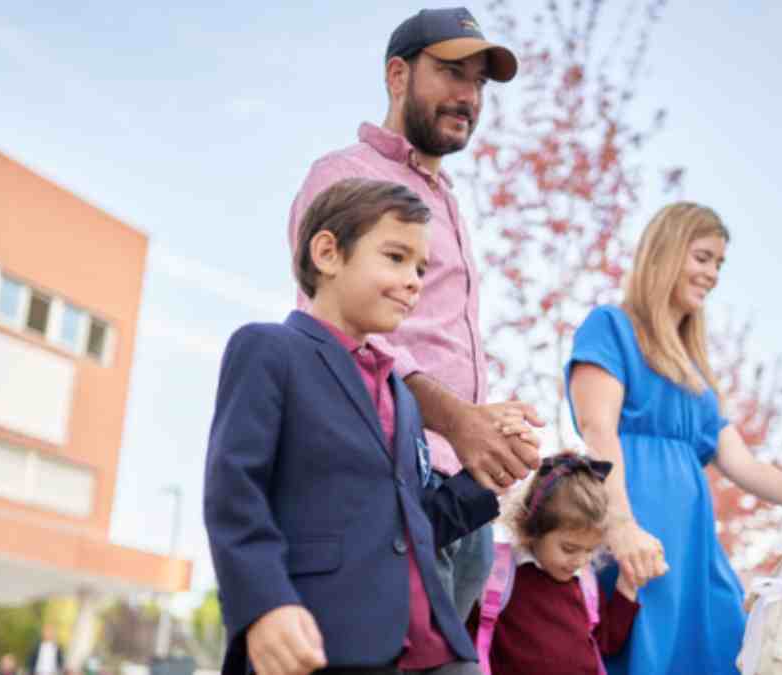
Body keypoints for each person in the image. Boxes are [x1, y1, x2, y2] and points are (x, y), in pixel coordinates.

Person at [286, 6, 540, 620]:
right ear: (397, 75)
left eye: (480, 83)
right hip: (388, 491)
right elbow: (336, 341)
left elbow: (430, 343)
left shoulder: (446, 200)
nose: (469, 96)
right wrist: (459, 419)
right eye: (453, 73)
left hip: (463, 496)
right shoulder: (346, 176)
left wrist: (486, 425)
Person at [566, 202, 782, 674]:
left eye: (719, 263)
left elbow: (747, 468)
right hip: (636, 540)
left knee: (726, 650)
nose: (712, 273)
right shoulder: (611, 328)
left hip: (694, 552)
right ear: (666, 252)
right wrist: (622, 526)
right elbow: (598, 430)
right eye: (702, 257)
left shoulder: (694, 376)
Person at [205, 179, 499, 675]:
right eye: (396, 257)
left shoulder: (403, 396)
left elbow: (406, 523)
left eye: (422, 268)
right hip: (320, 639)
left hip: (431, 647)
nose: (414, 281)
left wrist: (484, 481)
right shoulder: (269, 350)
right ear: (328, 253)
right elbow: (235, 493)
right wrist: (265, 603)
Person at [468, 453, 659, 675]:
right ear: (533, 528)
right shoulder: (498, 576)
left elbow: (605, 642)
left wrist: (627, 586)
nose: (580, 560)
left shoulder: (584, 582)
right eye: (569, 549)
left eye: (589, 550)